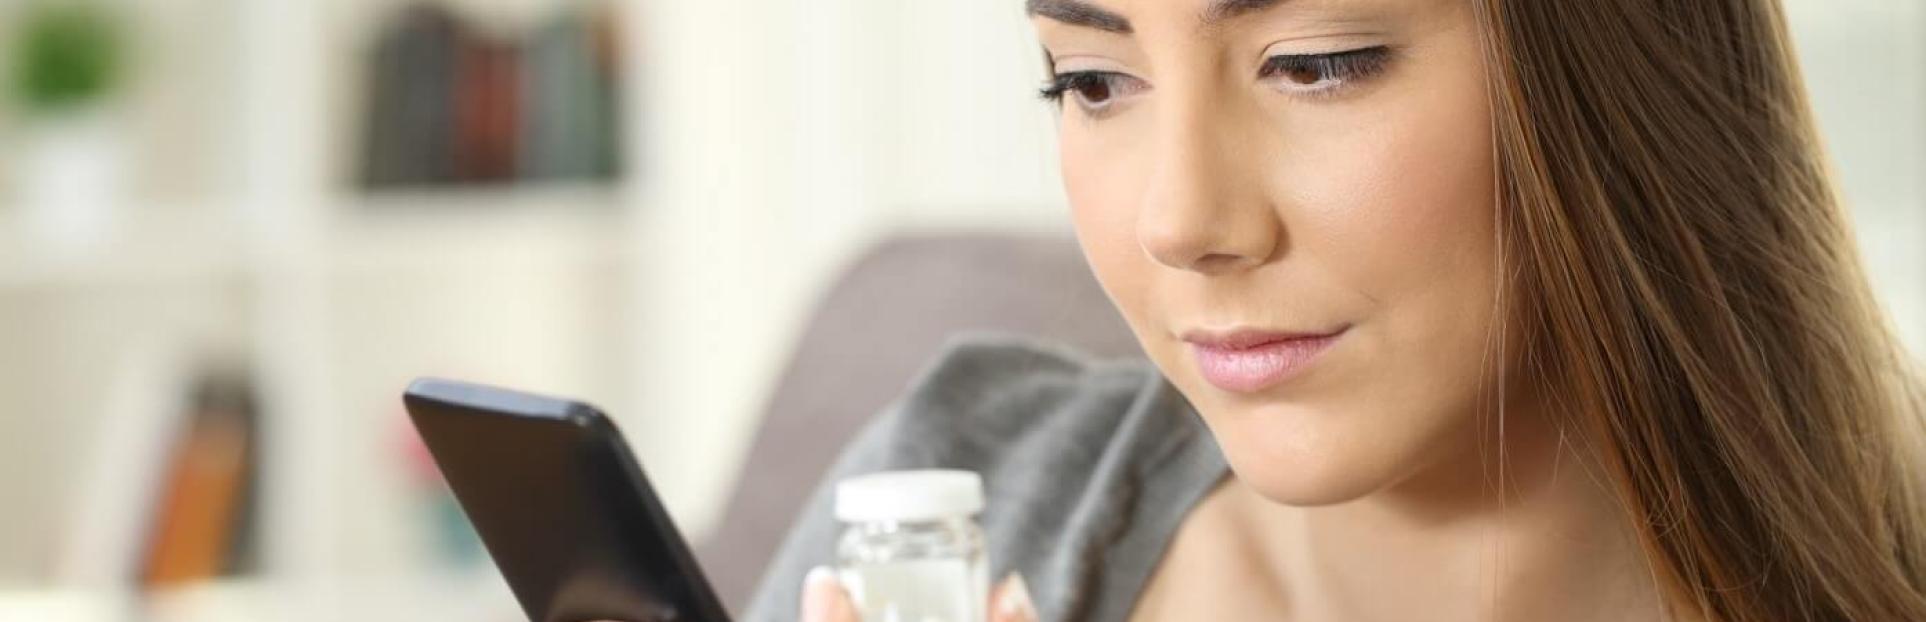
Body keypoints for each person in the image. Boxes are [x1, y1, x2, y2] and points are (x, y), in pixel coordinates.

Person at [741, 0, 1926, 619]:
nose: (1181, 217)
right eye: (1093, 80)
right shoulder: (950, 505)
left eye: (1316, 61)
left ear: (1617, 74)